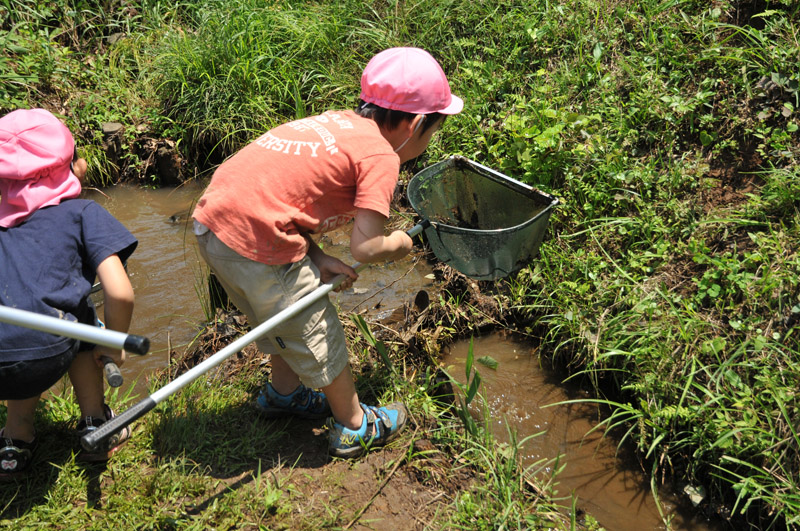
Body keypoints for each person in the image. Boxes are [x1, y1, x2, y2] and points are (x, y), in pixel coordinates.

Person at [192, 47, 463, 458]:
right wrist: (401, 243)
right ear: (416, 125)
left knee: (279, 317)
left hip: (216, 225)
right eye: (433, 132)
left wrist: (317, 258)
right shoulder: (381, 156)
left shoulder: (338, 123)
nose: (429, 142)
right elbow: (366, 247)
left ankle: (284, 394)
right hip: (257, 240)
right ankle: (354, 425)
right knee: (317, 327)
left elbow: (282, 201)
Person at [0, 108, 138, 478]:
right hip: (48, 352)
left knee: (20, 319)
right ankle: (95, 424)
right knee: (80, 315)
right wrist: (113, 343)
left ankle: (15, 439)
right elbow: (120, 293)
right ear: (74, 167)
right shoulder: (82, 212)